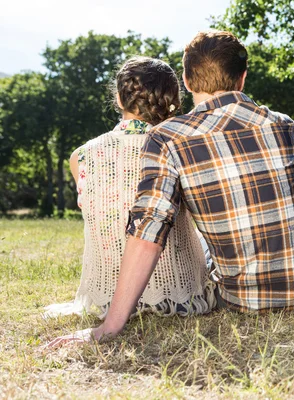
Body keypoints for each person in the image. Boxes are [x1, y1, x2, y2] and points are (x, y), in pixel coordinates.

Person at [46, 31, 294, 346]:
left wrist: (109, 327)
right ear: (242, 78)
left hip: (239, 300)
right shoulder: (281, 123)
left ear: (187, 81)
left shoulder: (168, 138)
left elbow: (148, 232)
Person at [44, 57, 215, 321]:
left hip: (109, 298)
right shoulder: (182, 149)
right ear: (173, 101)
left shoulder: (81, 156)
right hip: (179, 296)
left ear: (120, 99)